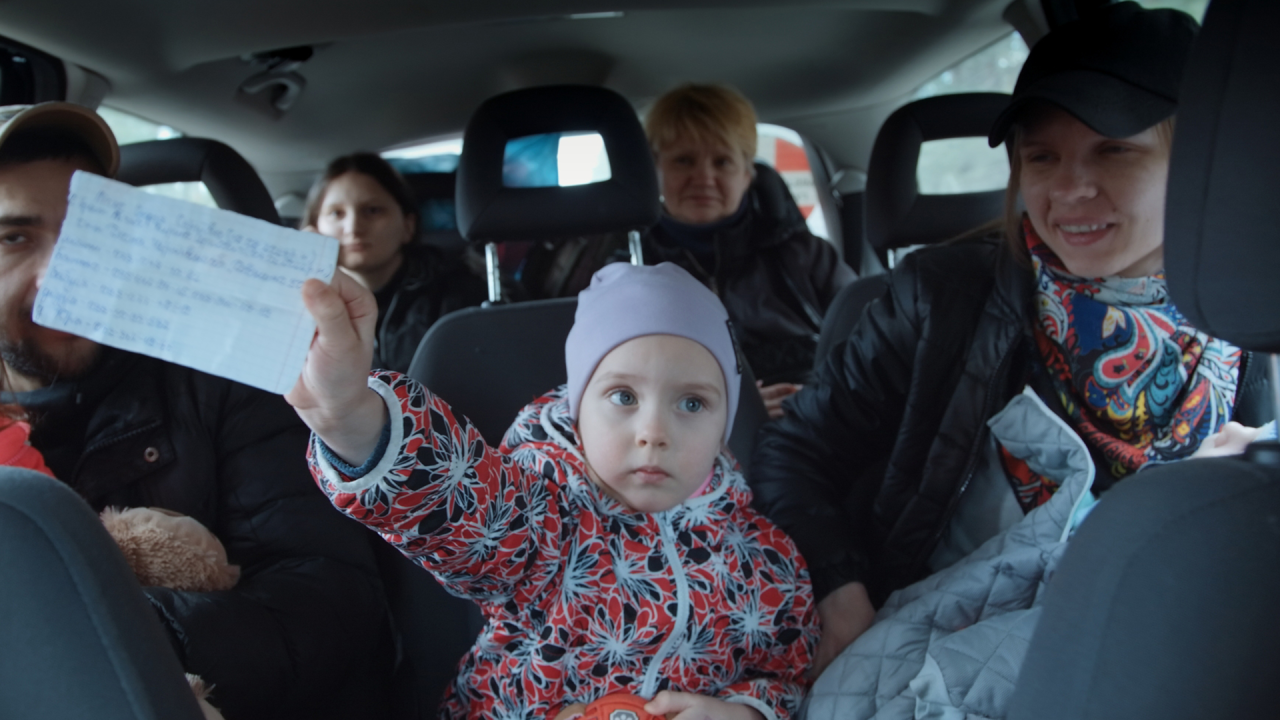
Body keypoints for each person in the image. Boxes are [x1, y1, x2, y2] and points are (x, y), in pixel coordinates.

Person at [747, 1, 1272, 685]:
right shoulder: (939, 297)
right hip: (936, 649)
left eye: (1115, 150)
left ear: (1196, 159)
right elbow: (796, 452)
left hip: (1153, 650)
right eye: (1042, 156)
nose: (1070, 189)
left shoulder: (1252, 315)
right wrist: (840, 589)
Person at [287, 262, 819, 720]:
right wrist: (350, 416)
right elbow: (451, 497)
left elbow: (785, 673)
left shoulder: (765, 558)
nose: (654, 431)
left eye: (693, 404)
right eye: (624, 395)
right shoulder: (540, 514)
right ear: (577, 408)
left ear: (729, 419)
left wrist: (745, 711)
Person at [0, 102, 394, 720]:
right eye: (14, 237)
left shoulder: (230, 378)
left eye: (86, 233)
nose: (57, 273)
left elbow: (331, 610)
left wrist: (101, 625)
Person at [517, 85, 854, 418]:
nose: (704, 177)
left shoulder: (807, 256)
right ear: (654, 170)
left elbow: (863, 351)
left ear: (748, 173)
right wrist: (738, 410)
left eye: (722, 162)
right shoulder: (616, 268)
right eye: (684, 161)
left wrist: (815, 398)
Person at [301, 152, 486, 372]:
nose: (353, 228)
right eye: (336, 213)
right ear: (315, 228)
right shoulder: (301, 303)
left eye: (372, 210)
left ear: (408, 226)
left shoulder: (458, 296)